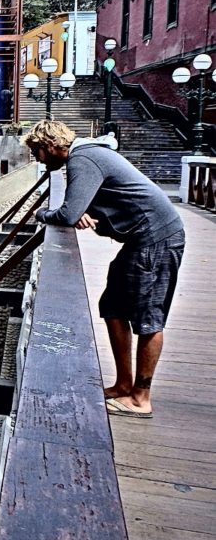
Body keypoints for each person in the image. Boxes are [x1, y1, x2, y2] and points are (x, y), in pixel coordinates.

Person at [23, 120, 184, 419]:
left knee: (148, 318)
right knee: (112, 306)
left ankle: (140, 397)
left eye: (37, 151)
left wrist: (45, 213)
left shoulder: (83, 159)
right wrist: (82, 211)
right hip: (142, 239)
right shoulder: (87, 155)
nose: (37, 159)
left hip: (156, 239)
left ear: (51, 146)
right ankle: (124, 385)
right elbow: (76, 211)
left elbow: (68, 214)